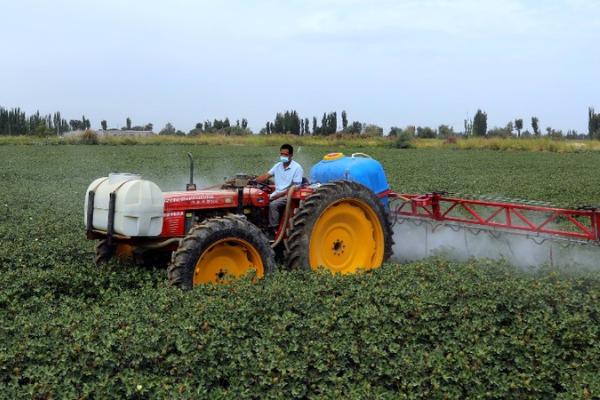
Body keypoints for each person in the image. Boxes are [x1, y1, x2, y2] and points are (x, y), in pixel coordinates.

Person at [256, 144, 304, 237]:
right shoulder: (278, 166)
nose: (283, 156)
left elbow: (296, 187)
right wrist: (253, 181)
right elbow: (266, 176)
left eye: (285, 155)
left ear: (291, 155)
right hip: (276, 193)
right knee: (259, 203)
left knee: (273, 205)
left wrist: (278, 195)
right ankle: (261, 227)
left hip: (289, 195)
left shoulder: (297, 168)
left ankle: (273, 230)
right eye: (281, 154)